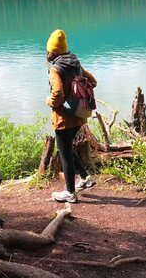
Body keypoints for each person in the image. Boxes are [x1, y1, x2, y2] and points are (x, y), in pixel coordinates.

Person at [45, 29, 97, 203]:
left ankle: (70, 193)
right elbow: (93, 81)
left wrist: (50, 101)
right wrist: (75, 96)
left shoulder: (55, 68)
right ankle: (85, 178)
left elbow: (58, 93)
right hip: (78, 114)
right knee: (67, 147)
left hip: (63, 118)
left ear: (52, 51)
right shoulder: (74, 62)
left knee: (64, 152)